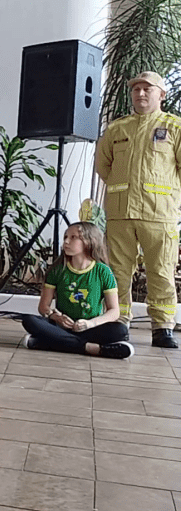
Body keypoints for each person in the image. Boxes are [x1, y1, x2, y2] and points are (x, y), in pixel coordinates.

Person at [95, 71, 181, 349]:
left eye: (147, 89)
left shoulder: (175, 127)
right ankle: (118, 322)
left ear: (162, 95)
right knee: (117, 272)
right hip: (120, 213)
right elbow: (103, 166)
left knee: (161, 271)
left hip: (159, 214)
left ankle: (163, 327)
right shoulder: (117, 129)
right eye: (136, 89)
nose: (141, 93)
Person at [20, 222, 133, 359]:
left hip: (90, 328)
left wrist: (90, 323)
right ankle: (92, 349)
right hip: (62, 327)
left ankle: (48, 343)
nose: (66, 241)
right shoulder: (57, 270)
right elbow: (43, 307)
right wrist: (56, 317)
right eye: (65, 237)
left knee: (120, 330)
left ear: (90, 241)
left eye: (73, 237)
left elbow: (114, 311)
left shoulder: (103, 271)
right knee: (29, 320)